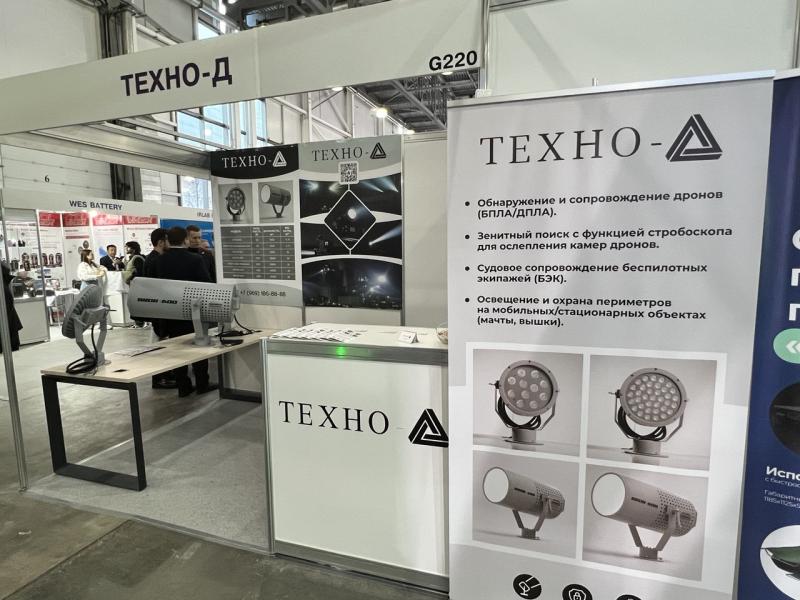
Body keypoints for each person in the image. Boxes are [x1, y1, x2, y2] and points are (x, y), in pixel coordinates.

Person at [154, 226, 216, 397]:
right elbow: (206, 284)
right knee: (199, 346)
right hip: (193, 311)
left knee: (177, 350)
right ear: (185, 240)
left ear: (168, 240)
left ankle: (183, 386)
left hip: (171, 311)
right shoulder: (195, 259)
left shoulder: (161, 260)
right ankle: (202, 383)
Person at [123, 241, 146, 328]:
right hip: (133, 285)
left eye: (128, 247)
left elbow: (140, 272)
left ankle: (140, 323)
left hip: (137, 286)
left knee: (137, 305)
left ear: (133, 248)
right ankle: (138, 322)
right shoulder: (132, 258)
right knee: (134, 304)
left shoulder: (137, 258)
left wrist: (131, 277)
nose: (126, 249)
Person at [0, 262, 22, 352]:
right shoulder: (3, 284)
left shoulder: (2, 287)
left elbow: (6, 308)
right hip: (9, 326)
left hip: (7, 327)